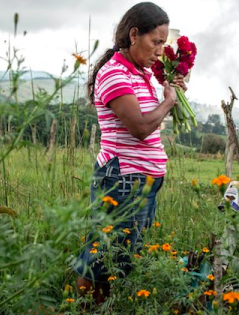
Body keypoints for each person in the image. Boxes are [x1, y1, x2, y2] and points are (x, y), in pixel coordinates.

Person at [73, 1, 187, 304]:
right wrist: (168, 103)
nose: (161, 50)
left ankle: (101, 306)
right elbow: (139, 127)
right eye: (156, 41)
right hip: (122, 179)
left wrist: (171, 90)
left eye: (164, 42)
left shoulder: (143, 74)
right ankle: (81, 308)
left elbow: (155, 114)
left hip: (144, 180)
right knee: (103, 253)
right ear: (134, 34)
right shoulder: (114, 74)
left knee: (121, 254)